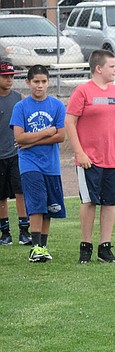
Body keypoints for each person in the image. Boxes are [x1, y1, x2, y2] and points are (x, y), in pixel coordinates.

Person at [66, 49, 115, 264]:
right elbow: (70, 122)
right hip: (89, 159)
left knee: (110, 202)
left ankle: (105, 247)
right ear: (98, 68)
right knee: (89, 201)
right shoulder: (83, 91)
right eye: (112, 66)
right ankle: (85, 247)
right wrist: (79, 152)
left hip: (112, 158)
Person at [9, 65, 67, 262]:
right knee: (36, 202)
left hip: (51, 164)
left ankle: (43, 246)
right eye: (36, 82)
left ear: (48, 82)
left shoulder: (57, 106)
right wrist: (46, 132)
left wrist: (33, 139)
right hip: (29, 163)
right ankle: (35, 247)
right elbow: (19, 137)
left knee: (49, 206)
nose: (40, 86)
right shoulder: (21, 107)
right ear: (28, 82)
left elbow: (60, 136)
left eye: (43, 82)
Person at [0, 60, 30, 246]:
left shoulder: (20, 99)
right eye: (5, 76)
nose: (9, 80)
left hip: (16, 154)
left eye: (11, 76)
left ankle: (24, 230)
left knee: (21, 192)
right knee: (1, 196)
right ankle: (5, 232)